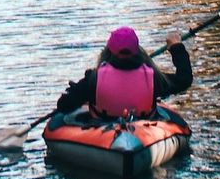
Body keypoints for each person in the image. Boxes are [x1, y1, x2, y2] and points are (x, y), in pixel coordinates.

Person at [52, 25, 192, 121]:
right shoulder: (152, 77)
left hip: (101, 129)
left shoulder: (94, 78)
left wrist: (85, 94)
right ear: (137, 50)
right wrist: (176, 47)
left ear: (108, 51)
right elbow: (184, 80)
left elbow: (64, 105)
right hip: (143, 128)